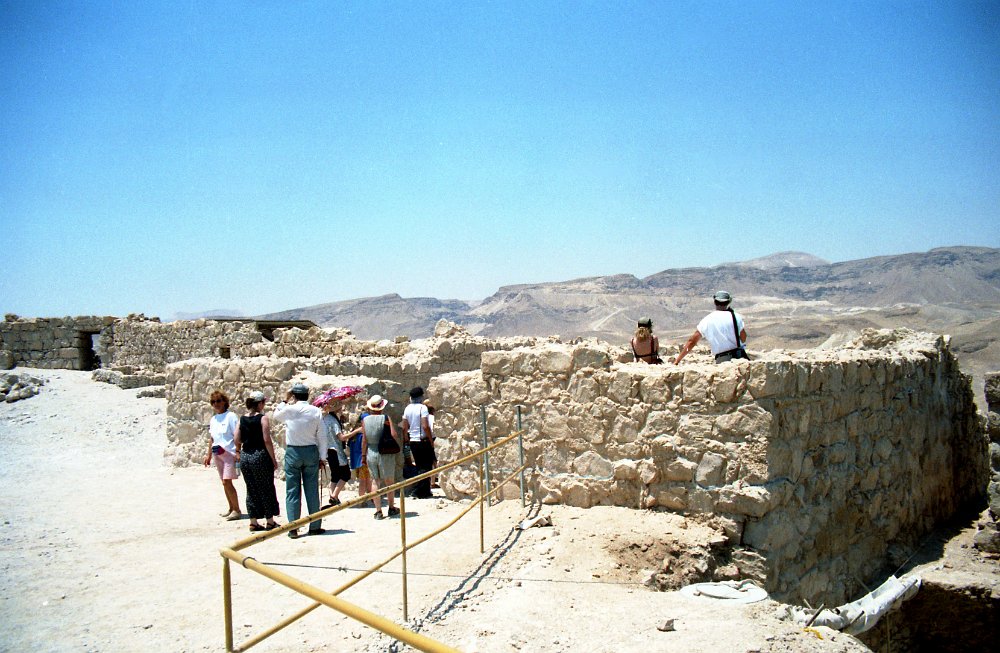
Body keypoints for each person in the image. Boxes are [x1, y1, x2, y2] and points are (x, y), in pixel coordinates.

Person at [272, 383, 327, 539]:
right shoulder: (316, 411)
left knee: (292, 490)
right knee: (312, 490)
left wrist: (285, 399)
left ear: (294, 396)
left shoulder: (290, 410)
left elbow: (276, 416)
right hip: (311, 451)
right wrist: (323, 457)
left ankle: (293, 528)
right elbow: (322, 436)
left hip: (293, 451)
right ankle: (315, 525)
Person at [234, 391, 280, 532]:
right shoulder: (262, 418)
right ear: (260, 403)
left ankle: (253, 521)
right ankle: (269, 520)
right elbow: (267, 440)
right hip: (259, 455)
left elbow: (236, 438)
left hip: (246, 456)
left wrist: (238, 450)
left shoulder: (242, 419)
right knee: (266, 487)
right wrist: (273, 459)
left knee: (251, 488)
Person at [674, 291, 749, 364]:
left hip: (723, 360)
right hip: (740, 358)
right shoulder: (735, 316)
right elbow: (743, 338)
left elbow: (692, 341)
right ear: (729, 302)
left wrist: (678, 360)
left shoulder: (707, 320)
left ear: (715, 302)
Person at [203, 390, 242, 520]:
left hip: (229, 453)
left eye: (219, 401)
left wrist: (238, 451)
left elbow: (237, 435)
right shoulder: (213, 419)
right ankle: (231, 507)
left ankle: (237, 510)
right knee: (224, 483)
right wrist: (208, 455)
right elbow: (212, 438)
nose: (216, 404)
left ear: (224, 401)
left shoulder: (231, 416)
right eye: (213, 402)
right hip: (217, 453)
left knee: (227, 481)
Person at [362, 395, 401, 520]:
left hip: (371, 452)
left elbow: (364, 440)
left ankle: (378, 511)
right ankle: (391, 507)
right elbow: (393, 434)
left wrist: (363, 455)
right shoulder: (385, 418)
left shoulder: (365, 420)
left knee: (375, 481)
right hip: (385, 452)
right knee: (389, 480)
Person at [314, 392, 350, 507]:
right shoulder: (333, 421)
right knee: (345, 474)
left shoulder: (324, 419)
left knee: (335, 475)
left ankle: (332, 496)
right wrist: (356, 432)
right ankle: (334, 496)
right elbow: (341, 437)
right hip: (336, 450)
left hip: (328, 450)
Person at [402, 386, 435, 499]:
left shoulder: (407, 408)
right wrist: (430, 440)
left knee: (419, 465)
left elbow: (404, 426)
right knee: (426, 466)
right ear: (421, 396)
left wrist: (406, 439)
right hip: (423, 440)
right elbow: (425, 426)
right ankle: (419, 491)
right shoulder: (423, 408)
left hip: (413, 440)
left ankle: (425, 491)